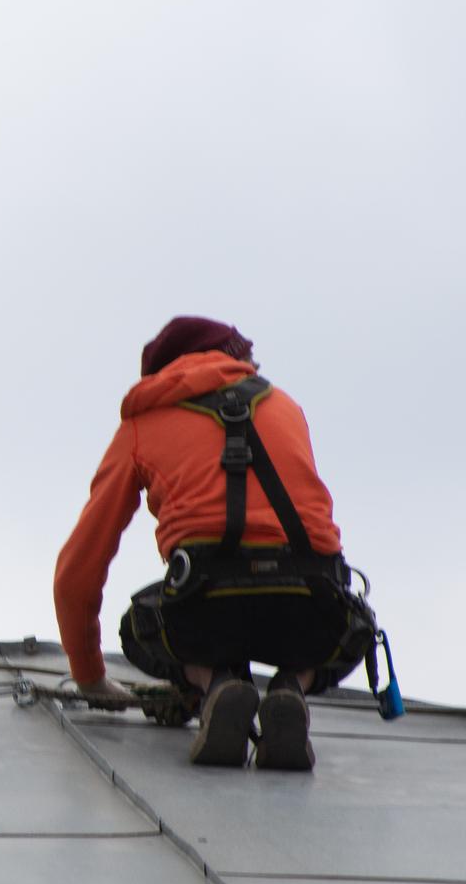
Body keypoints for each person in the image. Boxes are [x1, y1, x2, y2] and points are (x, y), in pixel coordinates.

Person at [52, 316, 372, 770]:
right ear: (233, 358)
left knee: (140, 627)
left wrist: (88, 676)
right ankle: (291, 691)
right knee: (353, 629)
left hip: (205, 608)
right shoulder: (285, 407)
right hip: (311, 608)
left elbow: (78, 571)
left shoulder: (143, 424)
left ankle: (218, 685)